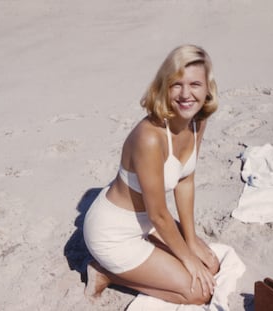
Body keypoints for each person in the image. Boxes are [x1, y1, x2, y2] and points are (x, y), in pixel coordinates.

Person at [83, 44, 220, 306]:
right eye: (176, 84)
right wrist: (188, 260)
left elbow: (185, 180)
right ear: (164, 86)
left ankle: (156, 260)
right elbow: (158, 212)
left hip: (149, 223)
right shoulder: (148, 138)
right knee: (199, 292)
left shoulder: (196, 121)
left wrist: (190, 242)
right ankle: (106, 272)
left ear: (207, 88)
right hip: (114, 234)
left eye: (195, 84)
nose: (186, 94)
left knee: (210, 266)